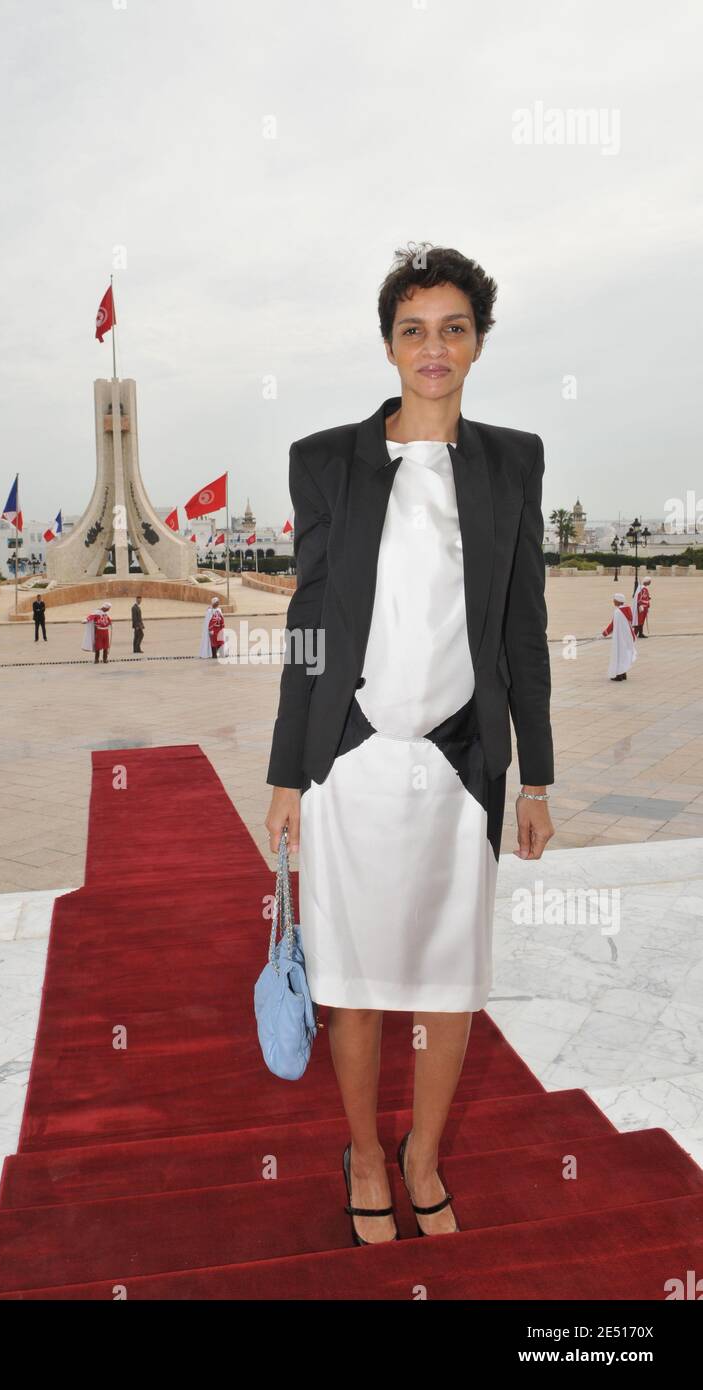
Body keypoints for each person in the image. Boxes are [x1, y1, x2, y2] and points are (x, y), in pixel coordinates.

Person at [264, 244, 555, 1245]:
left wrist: (535, 777)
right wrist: (284, 771)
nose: (432, 347)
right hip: (347, 763)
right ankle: (366, 1154)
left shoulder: (511, 460)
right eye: (412, 329)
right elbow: (308, 625)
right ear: (387, 344)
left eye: (452, 328)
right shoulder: (324, 461)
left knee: (444, 978)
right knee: (351, 983)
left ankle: (424, 1154)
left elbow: (519, 627)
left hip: (459, 765)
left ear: (476, 342)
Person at [601, 592, 637, 680]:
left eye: (614, 600)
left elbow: (613, 624)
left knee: (619, 654)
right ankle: (623, 673)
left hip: (620, 638)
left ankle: (618, 675)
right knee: (624, 654)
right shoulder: (627, 609)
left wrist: (605, 633)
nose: (613, 601)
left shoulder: (618, 612)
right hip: (627, 636)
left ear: (618, 601)